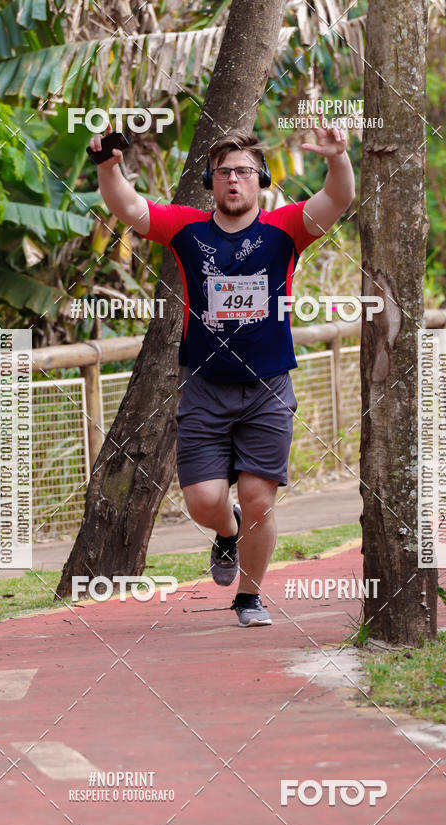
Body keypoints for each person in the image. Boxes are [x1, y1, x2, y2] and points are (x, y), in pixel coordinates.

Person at [91, 126, 355, 626]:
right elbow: (129, 207)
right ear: (211, 182)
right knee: (204, 501)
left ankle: (249, 598)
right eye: (224, 173)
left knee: (259, 500)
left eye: (244, 172)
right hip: (205, 389)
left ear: (261, 181)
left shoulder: (285, 230)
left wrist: (339, 159)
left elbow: (337, 199)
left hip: (268, 388)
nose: (234, 180)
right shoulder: (187, 229)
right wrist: (109, 165)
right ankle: (227, 532)